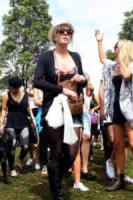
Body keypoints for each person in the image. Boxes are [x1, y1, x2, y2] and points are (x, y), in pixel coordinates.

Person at [95, 29, 133, 198]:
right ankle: (120, 178)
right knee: (118, 145)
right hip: (117, 110)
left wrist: (120, 58)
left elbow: (127, 75)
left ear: (125, 49)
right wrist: (99, 42)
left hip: (131, 111)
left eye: (118, 48)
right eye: (115, 48)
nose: (115, 51)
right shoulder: (114, 66)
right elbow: (102, 60)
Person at [34, 22, 87, 199]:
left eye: (69, 31)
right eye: (61, 31)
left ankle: (54, 172)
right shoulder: (46, 57)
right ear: (54, 36)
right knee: (56, 150)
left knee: (71, 152)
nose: (65, 33)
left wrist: (82, 79)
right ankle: (56, 190)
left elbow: (85, 82)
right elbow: (38, 81)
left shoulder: (76, 56)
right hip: (54, 108)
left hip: (74, 108)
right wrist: (61, 90)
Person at [0, 77, 37, 177]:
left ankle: (20, 159)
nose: (13, 90)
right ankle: (11, 168)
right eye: (12, 87)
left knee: (25, 146)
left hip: (24, 121)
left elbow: (28, 107)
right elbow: (3, 109)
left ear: (20, 87)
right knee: (12, 146)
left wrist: (33, 119)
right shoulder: (6, 95)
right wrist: (2, 123)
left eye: (16, 88)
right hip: (11, 122)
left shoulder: (25, 94)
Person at [80, 79, 97, 181]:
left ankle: (84, 168)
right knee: (74, 139)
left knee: (86, 137)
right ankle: (70, 167)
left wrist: (89, 85)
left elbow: (89, 92)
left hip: (85, 112)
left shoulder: (85, 75)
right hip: (72, 108)